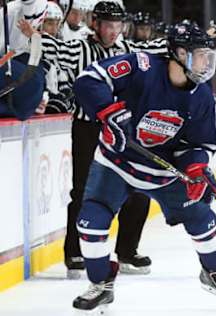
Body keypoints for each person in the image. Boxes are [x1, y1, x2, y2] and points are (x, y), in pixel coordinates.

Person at [71, 20, 216, 312]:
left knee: (203, 219)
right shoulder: (141, 66)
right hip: (116, 162)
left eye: (208, 56)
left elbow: (201, 144)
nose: (207, 63)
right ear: (179, 53)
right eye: (201, 55)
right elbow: (89, 79)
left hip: (163, 173)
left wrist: (196, 169)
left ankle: (213, 273)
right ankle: (101, 284)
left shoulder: (201, 94)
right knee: (91, 220)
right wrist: (109, 112)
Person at [18, 1, 170, 278]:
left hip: (123, 131)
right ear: (95, 25)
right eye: (108, 26)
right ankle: (76, 253)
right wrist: (33, 34)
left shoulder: (128, 50)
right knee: (85, 191)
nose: (114, 32)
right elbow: (54, 48)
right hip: (88, 129)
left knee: (138, 191)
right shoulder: (79, 48)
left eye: (118, 26)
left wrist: (190, 42)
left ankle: (127, 252)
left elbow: (157, 50)